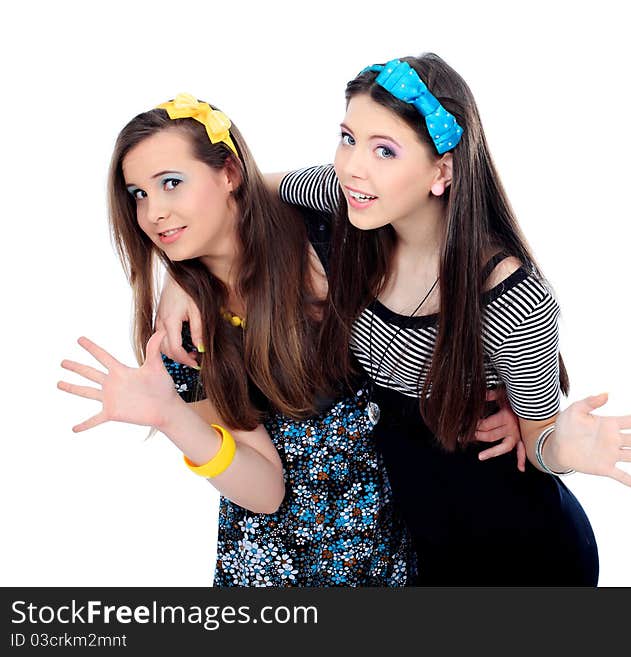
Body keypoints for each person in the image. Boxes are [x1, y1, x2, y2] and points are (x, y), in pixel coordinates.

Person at [158, 55, 631, 585]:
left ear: (441, 171)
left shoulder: (504, 292)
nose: (352, 164)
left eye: (384, 150)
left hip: (519, 550)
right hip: (417, 550)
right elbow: (237, 199)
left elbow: (537, 440)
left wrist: (563, 445)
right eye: (347, 137)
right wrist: (178, 282)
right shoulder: (347, 202)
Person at [57, 94, 425, 586]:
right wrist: (172, 417)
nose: (154, 212)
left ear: (229, 173)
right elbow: (265, 490)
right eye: (138, 194)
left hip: (393, 549)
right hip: (274, 574)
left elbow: (399, 194)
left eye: (170, 183)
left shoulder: (327, 231)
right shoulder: (184, 336)